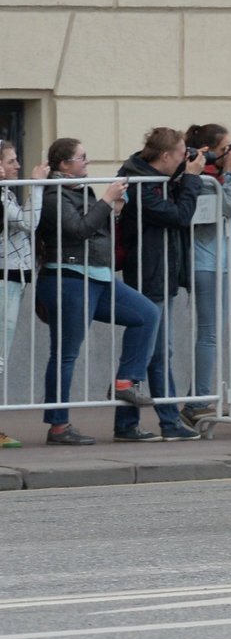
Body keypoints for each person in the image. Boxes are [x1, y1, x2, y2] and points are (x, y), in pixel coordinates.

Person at [34, 138, 160, 446]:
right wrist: (106, 201)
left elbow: (95, 229)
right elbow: (78, 229)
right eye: (82, 158)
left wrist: (113, 209)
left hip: (99, 276)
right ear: (65, 164)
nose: (87, 163)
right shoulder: (53, 196)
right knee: (66, 354)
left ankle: (125, 382)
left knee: (146, 314)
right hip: (69, 278)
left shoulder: (81, 190)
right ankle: (58, 425)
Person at [114, 128, 209, 442]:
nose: (185, 158)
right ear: (165, 156)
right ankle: (161, 422)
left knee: (152, 352)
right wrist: (192, 179)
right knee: (152, 351)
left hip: (161, 271)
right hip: (149, 273)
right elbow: (180, 215)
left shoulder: (155, 177)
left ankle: (141, 423)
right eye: (181, 153)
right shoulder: (141, 185)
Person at [179, 124, 231, 428]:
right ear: (208, 152)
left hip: (220, 262)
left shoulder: (217, 177)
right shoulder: (204, 180)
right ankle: (197, 402)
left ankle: (197, 398)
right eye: (225, 149)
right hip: (206, 263)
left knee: (212, 333)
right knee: (208, 334)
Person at [0, 139, 45, 448]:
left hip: (13, 277)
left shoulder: (6, 193)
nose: (18, 165)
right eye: (11, 160)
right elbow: (29, 222)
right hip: (6, 278)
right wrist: (37, 185)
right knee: (0, 356)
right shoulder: (2, 195)